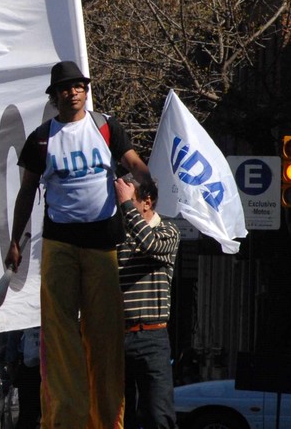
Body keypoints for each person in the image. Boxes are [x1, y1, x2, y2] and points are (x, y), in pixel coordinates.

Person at [4, 60, 151, 429]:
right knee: (60, 335)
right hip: (60, 246)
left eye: (78, 86)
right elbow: (26, 193)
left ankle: (105, 421)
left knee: (104, 335)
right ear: (54, 97)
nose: (73, 92)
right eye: (65, 88)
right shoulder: (41, 138)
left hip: (103, 245)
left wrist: (146, 182)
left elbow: (134, 162)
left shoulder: (105, 127)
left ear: (86, 91)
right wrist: (15, 241)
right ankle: (64, 419)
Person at [116, 177, 179, 429]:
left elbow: (149, 244)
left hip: (151, 338)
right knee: (119, 415)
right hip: (117, 336)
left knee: (158, 414)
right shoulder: (119, 236)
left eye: (129, 201)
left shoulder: (168, 231)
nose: (122, 208)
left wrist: (126, 206)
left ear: (146, 202)